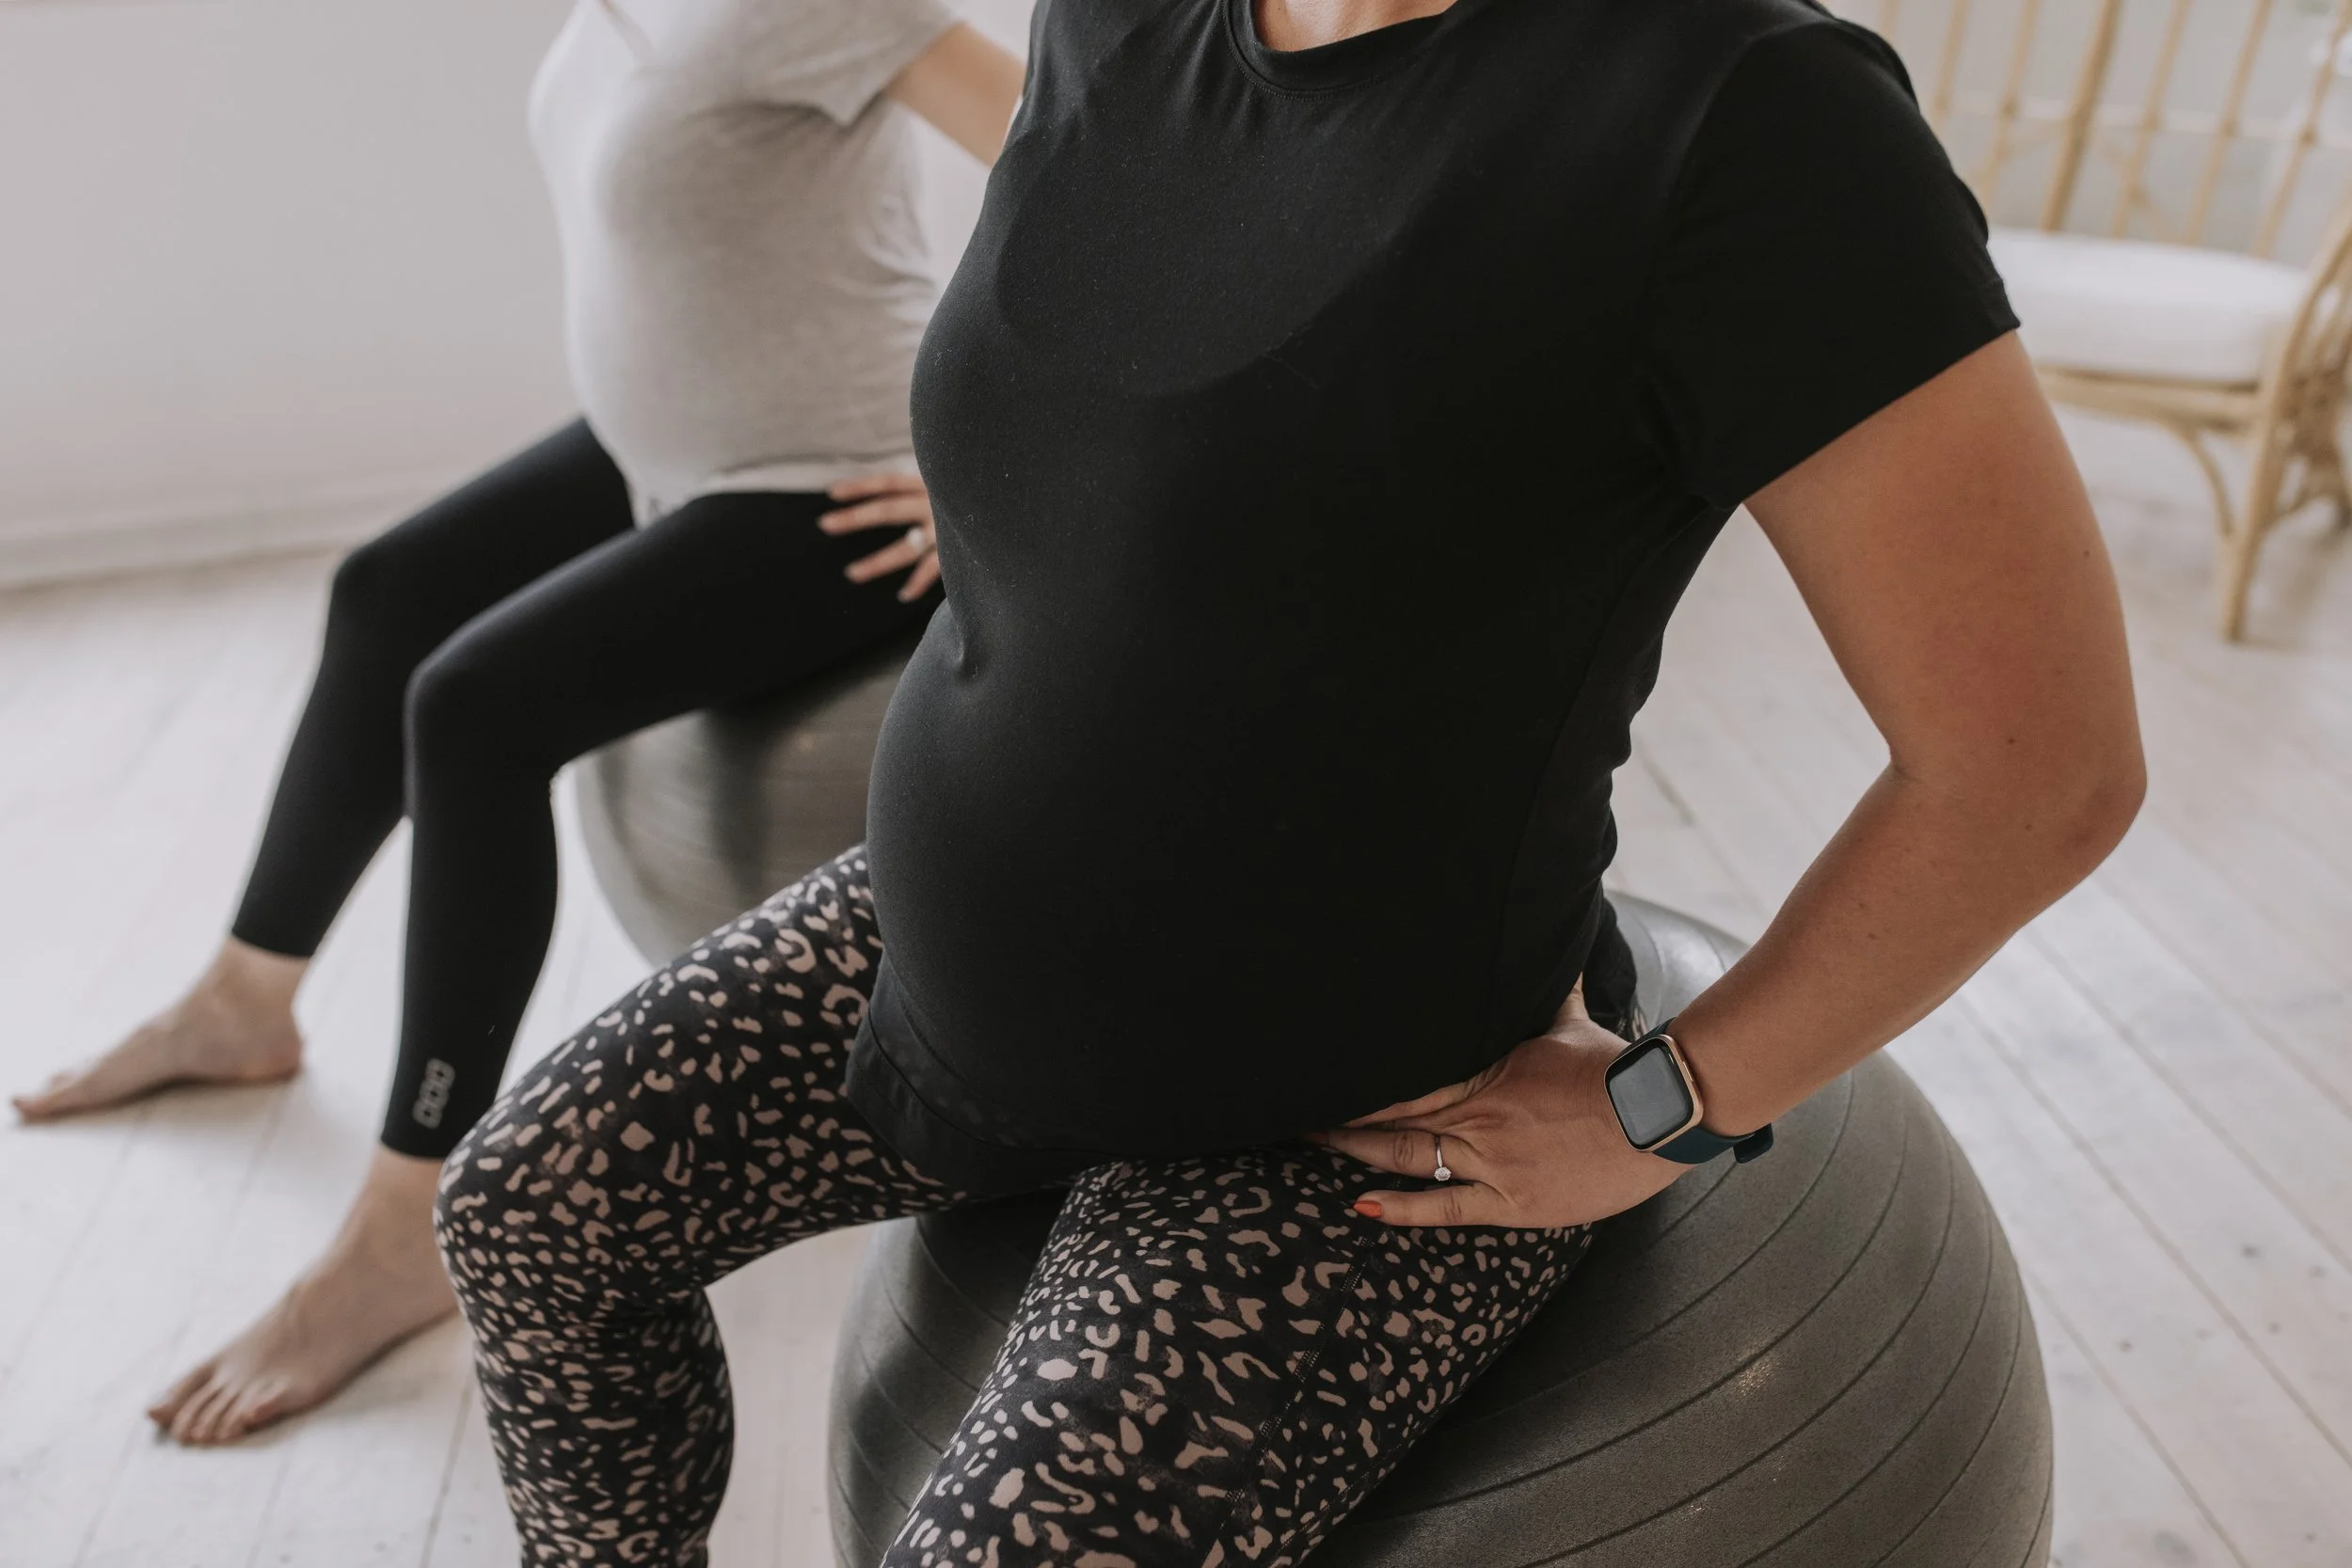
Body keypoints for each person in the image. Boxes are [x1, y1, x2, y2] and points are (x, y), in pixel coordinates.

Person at [434, 0, 2148, 1557]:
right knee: (525, 1218)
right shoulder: (1122, 13)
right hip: (938, 964)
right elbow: (1160, 399)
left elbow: (2038, 764)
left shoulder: (1744, 113)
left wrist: (1667, 1103)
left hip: (1360, 1116)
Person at [10, 0, 1024, 1446]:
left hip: (827, 490)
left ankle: (402, 1219)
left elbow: (1067, 168)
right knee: (388, 595)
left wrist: (969, 458)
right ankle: (244, 1000)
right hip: (664, 449)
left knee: (474, 709)